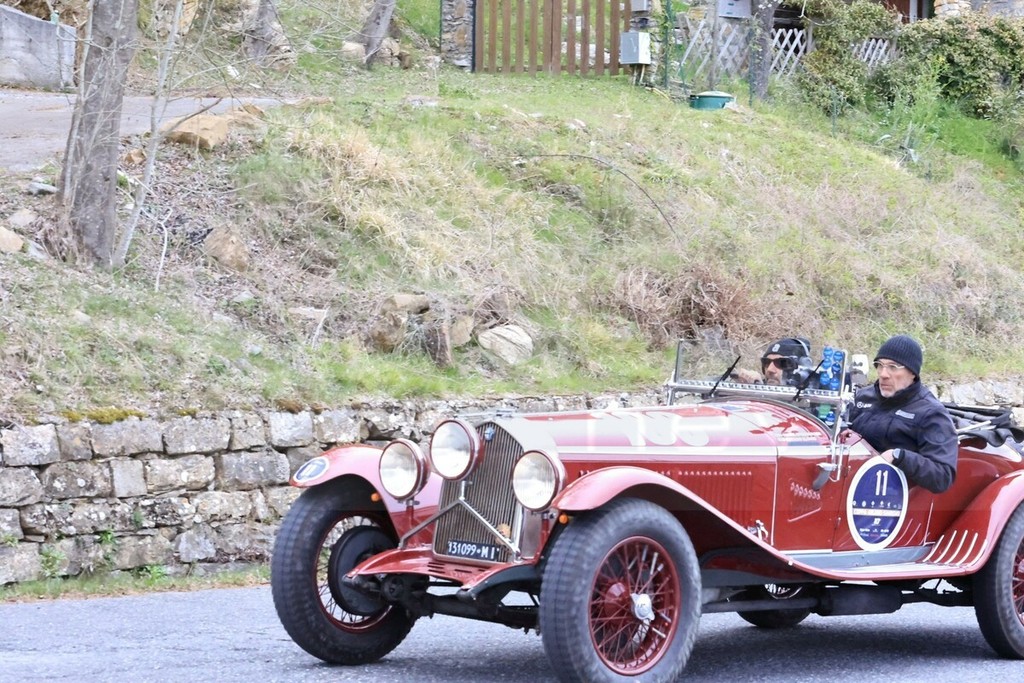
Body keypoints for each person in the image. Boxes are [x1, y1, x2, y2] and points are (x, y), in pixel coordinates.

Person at [844, 334, 957, 493]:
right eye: (879, 365)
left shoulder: (931, 413)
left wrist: (899, 456)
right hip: (847, 483)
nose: (883, 374)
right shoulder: (862, 397)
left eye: (893, 367)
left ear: (912, 373)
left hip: (892, 496)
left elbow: (943, 476)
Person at [732, 337, 812, 386]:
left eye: (782, 363)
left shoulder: (814, 399)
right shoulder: (759, 384)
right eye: (766, 362)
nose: (770, 369)